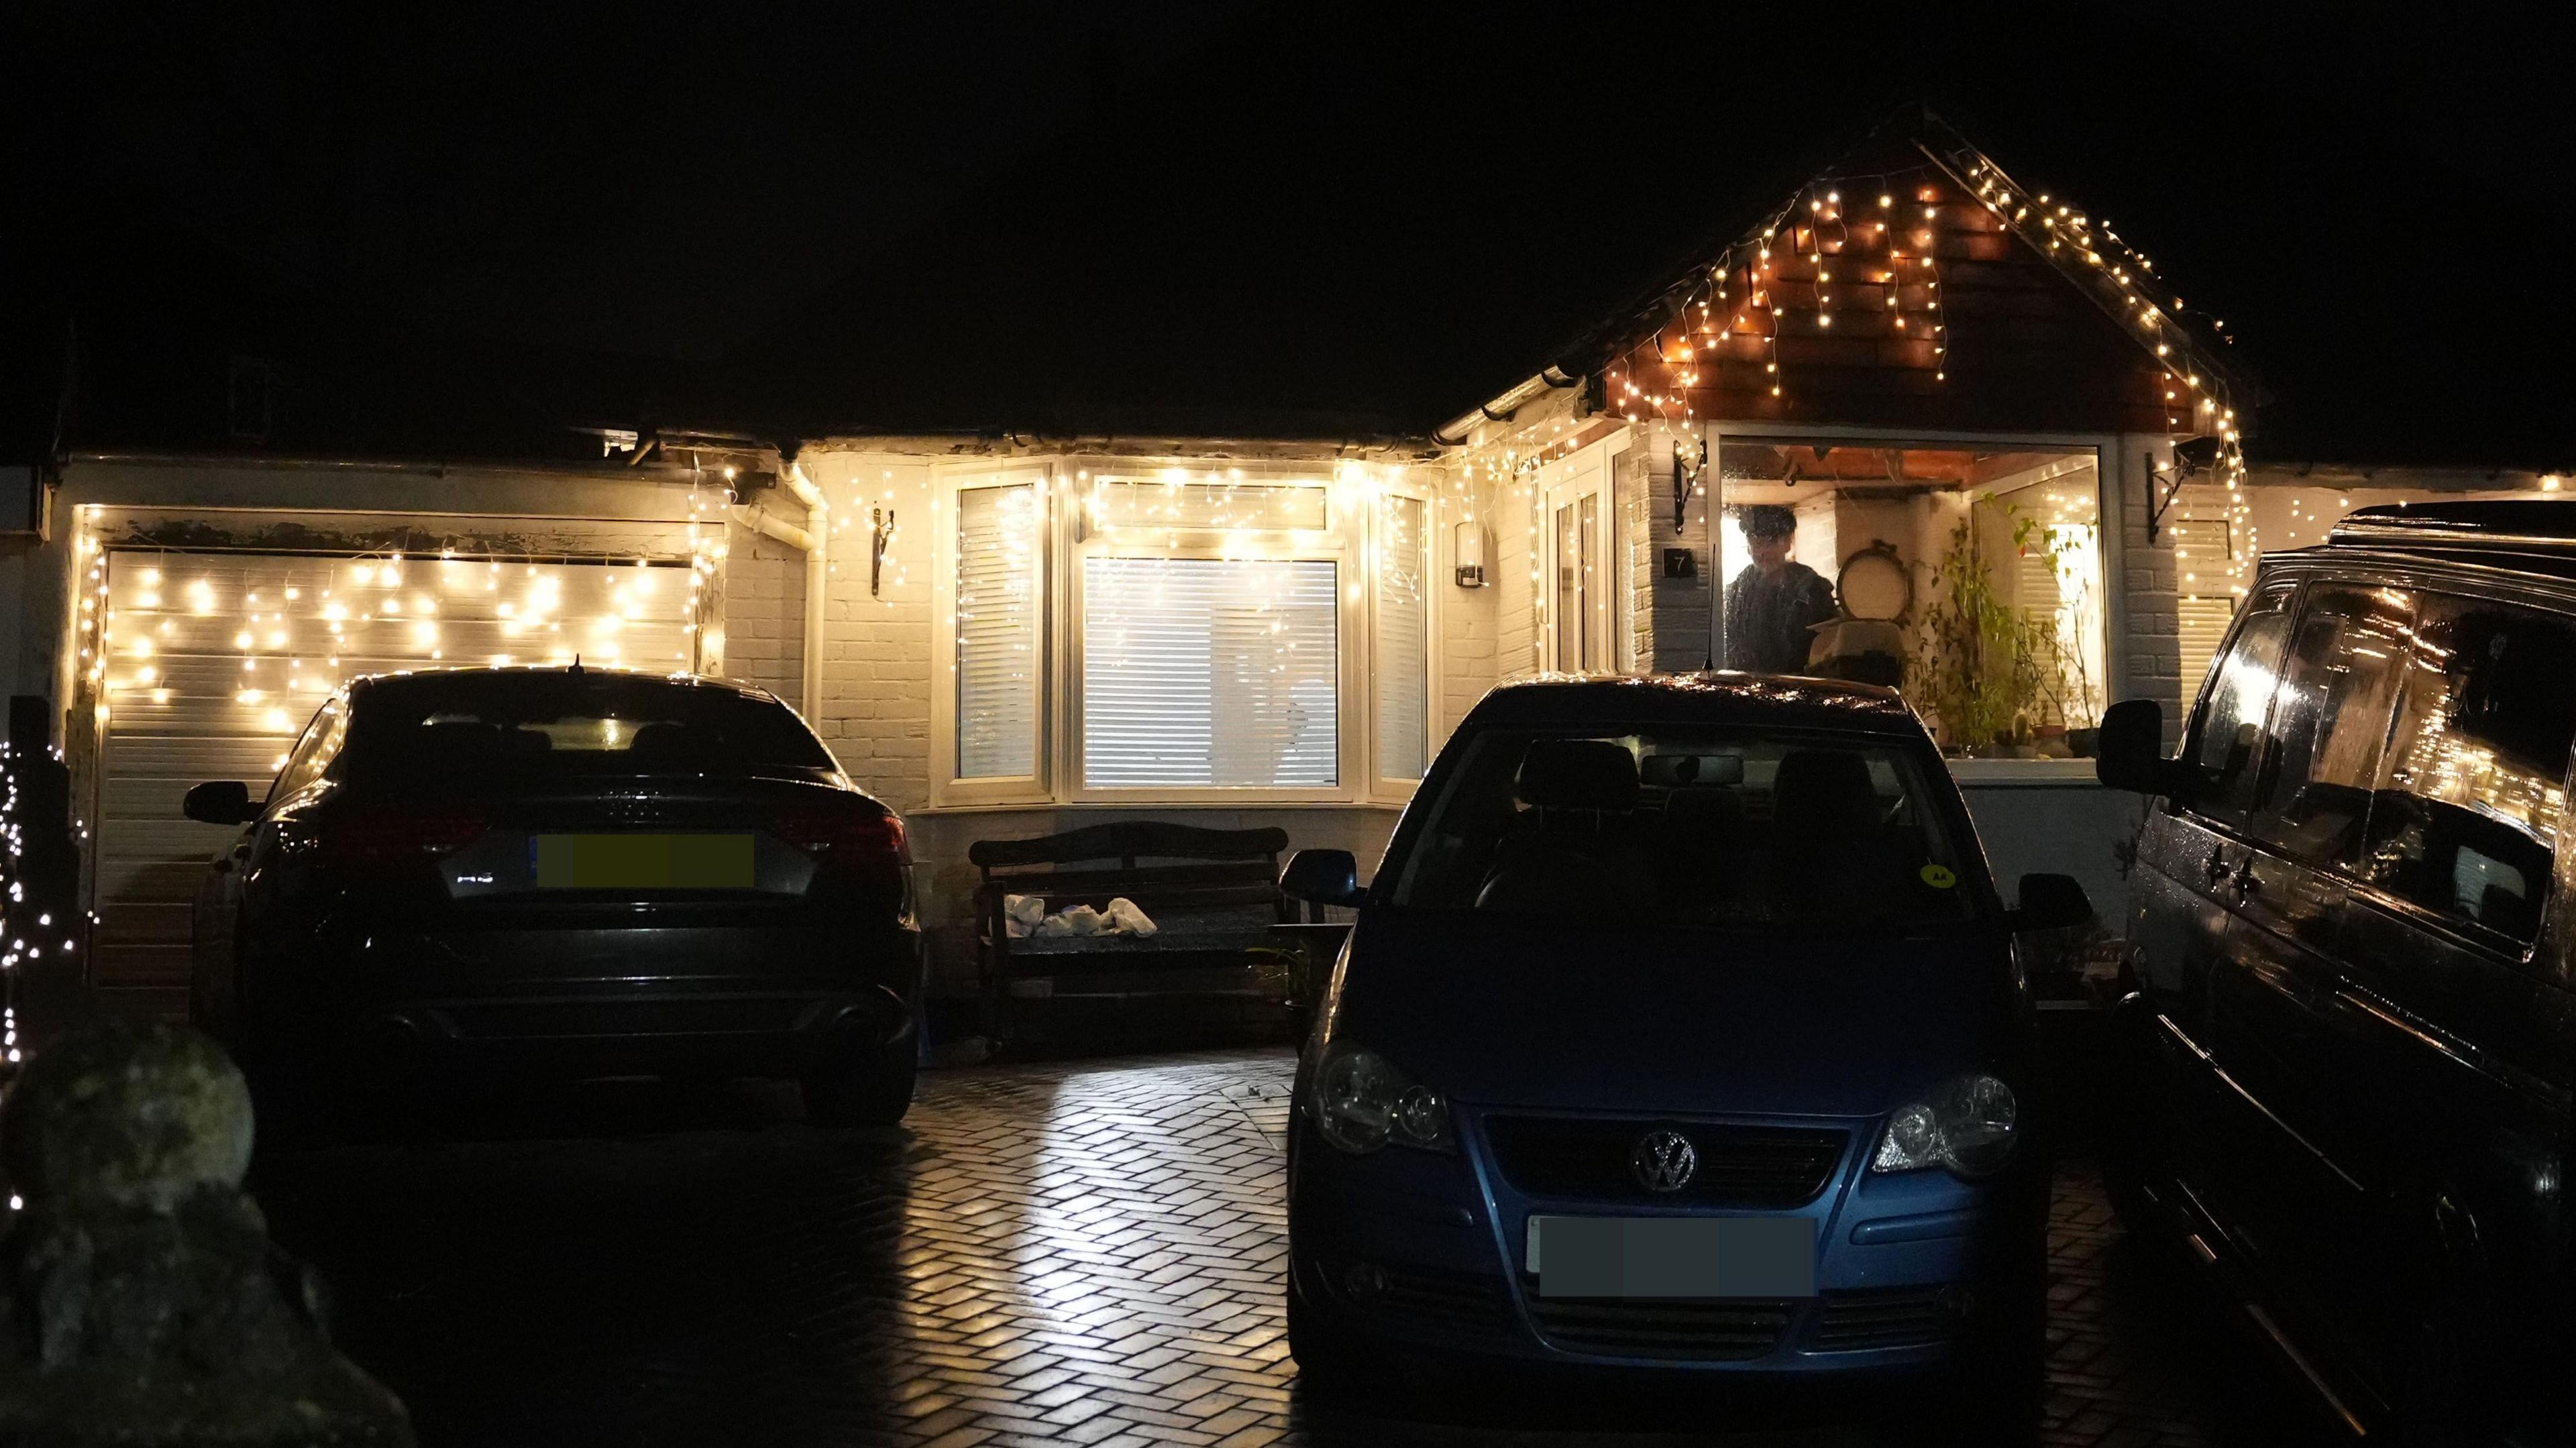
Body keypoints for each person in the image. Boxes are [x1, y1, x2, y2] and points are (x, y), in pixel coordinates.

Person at [1723, 505, 1838, 674]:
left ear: (1787, 543)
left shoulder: (1814, 591)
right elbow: (1729, 647)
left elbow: (1831, 650)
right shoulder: (1736, 594)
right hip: (1751, 689)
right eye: (1756, 542)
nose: (1762, 552)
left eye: (1770, 542)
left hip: (1803, 689)